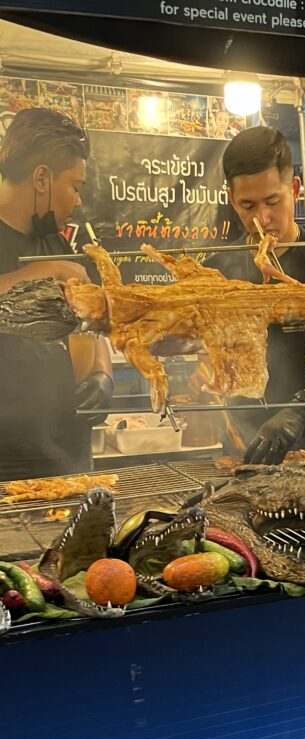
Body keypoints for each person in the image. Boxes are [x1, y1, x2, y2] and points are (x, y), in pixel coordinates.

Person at [205, 126, 305, 464]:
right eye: (247, 205)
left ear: (295, 189)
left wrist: (298, 409)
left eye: (273, 201)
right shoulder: (218, 267)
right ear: (232, 199)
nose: (262, 218)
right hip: (242, 441)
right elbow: (201, 345)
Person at [0, 107, 112, 482]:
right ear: (42, 178)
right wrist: (46, 272)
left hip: (69, 457)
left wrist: (101, 375)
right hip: (7, 462)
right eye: (75, 187)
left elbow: (91, 328)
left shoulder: (58, 242)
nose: (78, 201)